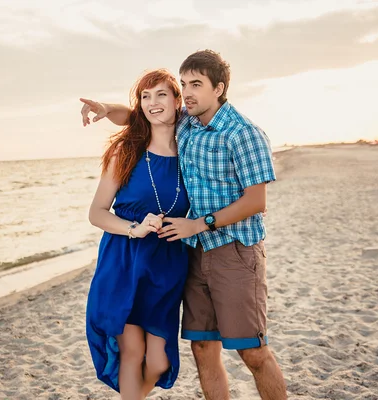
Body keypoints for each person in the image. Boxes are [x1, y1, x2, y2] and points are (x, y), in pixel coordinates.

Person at [81, 50, 287, 400]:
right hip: (160, 260)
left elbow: (257, 202)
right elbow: (137, 116)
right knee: (195, 351)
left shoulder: (219, 133)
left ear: (215, 89)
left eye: (194, 85)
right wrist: (104, 107)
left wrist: (197, 225)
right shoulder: (159, 138)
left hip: (207, 257)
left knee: (236, 353)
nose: (185, 93)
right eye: (184, 84)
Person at [85, 68, 190, 399]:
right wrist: (135, 228)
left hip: (167, 265)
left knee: (158, 362)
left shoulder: (192, 152)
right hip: (125, 260)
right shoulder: (127, 151)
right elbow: (96, 213)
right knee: (132, 352)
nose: (153, 103)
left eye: (161, 95)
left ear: (177, 101)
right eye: (145, 96)